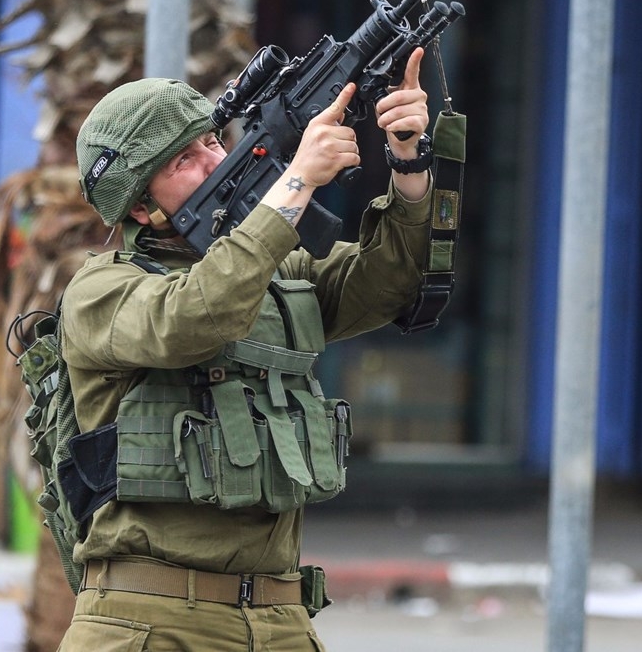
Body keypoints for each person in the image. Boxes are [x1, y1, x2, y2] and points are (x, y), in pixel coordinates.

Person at [58, 47, 433, 651]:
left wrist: (408, 160)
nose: (214, 160)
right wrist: (293, 186)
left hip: (280, 619)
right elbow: (195, 317)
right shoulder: (101, 292)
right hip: (149, 623)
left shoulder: (277, 266)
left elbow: (390, 283)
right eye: (184, 159)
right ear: (140, 207)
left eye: (211, 141)